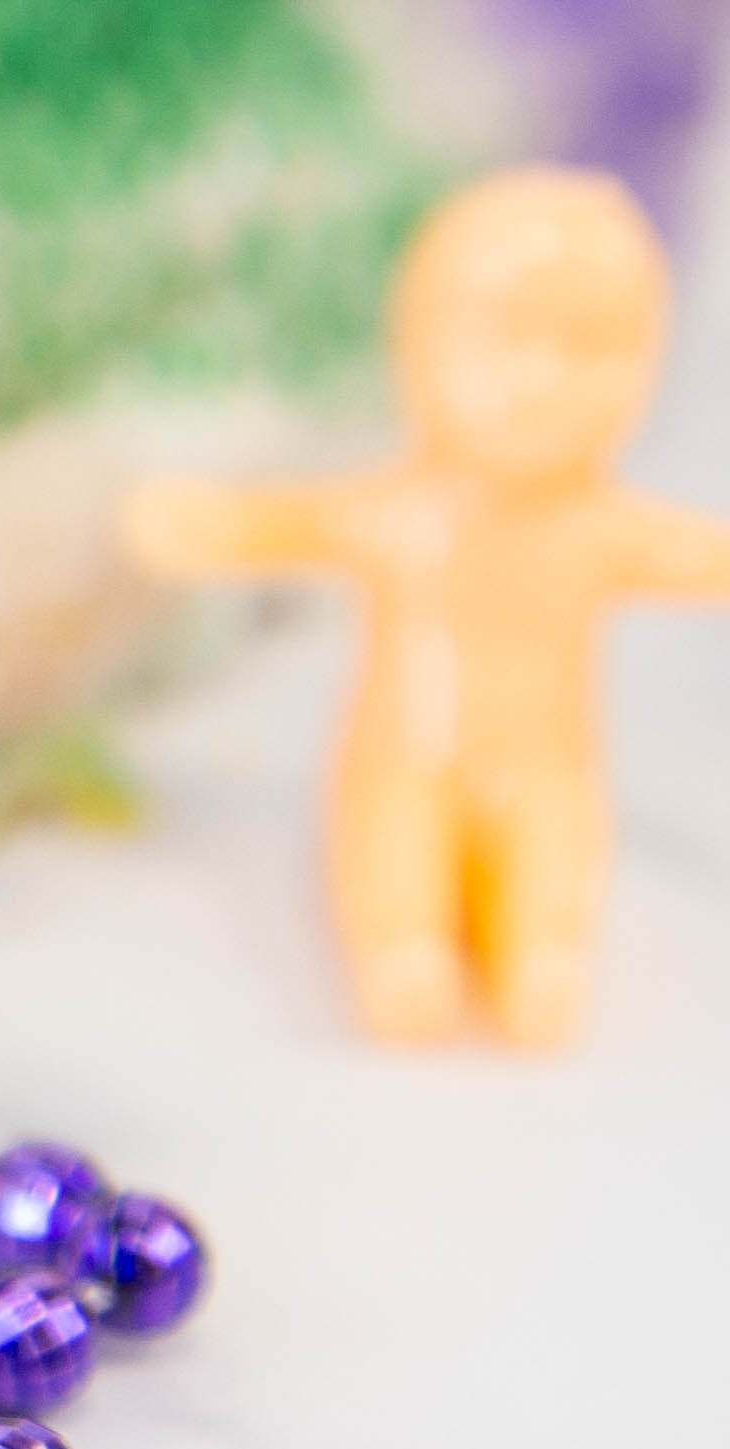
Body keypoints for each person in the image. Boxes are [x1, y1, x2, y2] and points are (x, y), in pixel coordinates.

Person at [125, 167, 730, 1047]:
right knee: (392, 861)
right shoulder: (404, 513)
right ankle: (401, 951)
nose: (544, 382)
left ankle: (543, 955)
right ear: (415, 343)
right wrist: (212, 528)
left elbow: (702, 557)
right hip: (402, 761)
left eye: (594, 347)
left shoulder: (598, 528)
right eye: (503, 340)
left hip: (551, 770)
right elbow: (288, 523)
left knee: (556, 874)